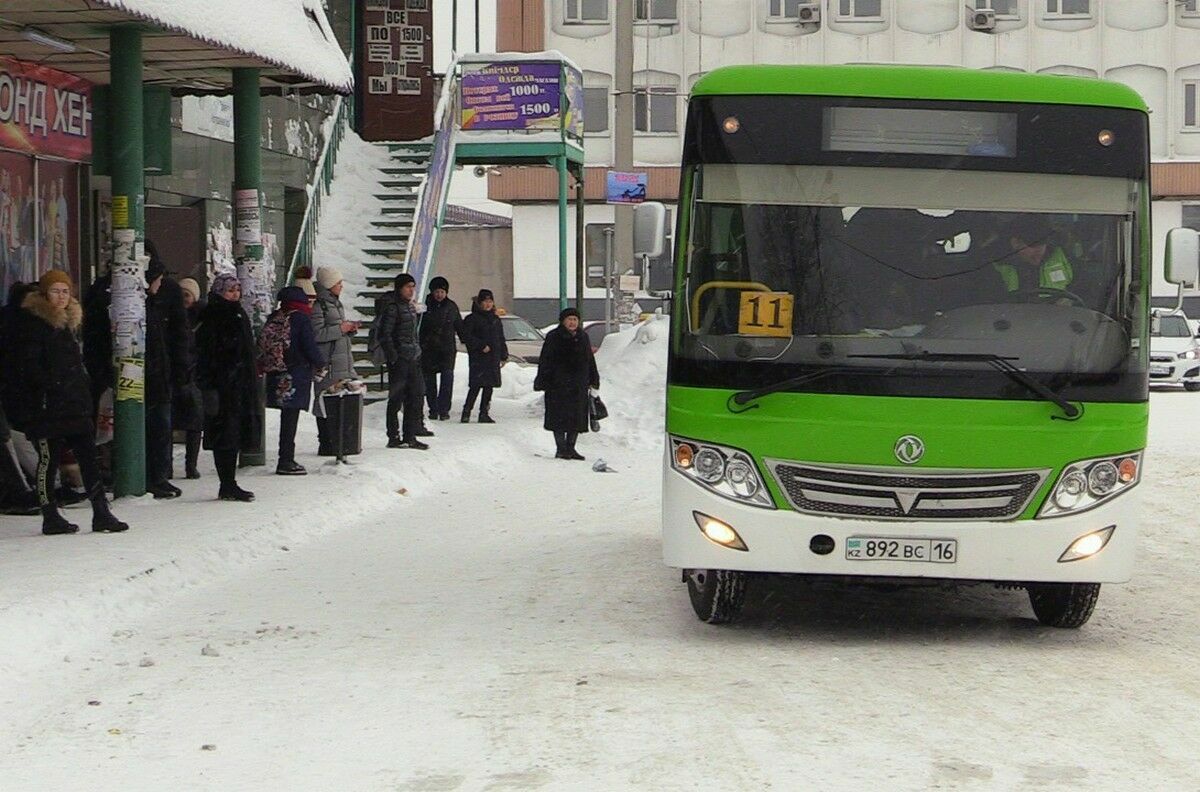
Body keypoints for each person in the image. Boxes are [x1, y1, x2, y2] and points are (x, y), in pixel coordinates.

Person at [0, 271, 128, 533]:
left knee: (88, 458)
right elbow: (28, 369)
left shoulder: (68, 324)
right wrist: (49, 390)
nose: (61, 296)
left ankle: (101, 511)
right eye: (55, 291)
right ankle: (50, 515)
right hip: (47, 407)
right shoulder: (32, 325)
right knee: (48, 461)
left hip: (74, 404)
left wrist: (81, 391)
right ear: (44, 294)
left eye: (65, 291)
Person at [194, 273, 260, 502]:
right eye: (230, 290)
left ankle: (229, 483)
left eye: (237, 290)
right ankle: (227, 483)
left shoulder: (237, 313)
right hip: (224, 386)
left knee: (233, 433)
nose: (235, 294)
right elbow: (209, 352)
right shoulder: (214, 315)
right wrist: (218, 378)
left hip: (238, 385)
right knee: (226, 435)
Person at [260, 286, 326, 475]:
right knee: (290, 419)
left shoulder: (276, 316)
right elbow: (308, 345)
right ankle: (286, 460)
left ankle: (285, 457)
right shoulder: (301, 318)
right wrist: (320, 363)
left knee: (286, 417)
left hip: (278, 373)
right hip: (296, 374)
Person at [143, 254, 188, 499]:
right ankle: (154, 476)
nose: (160, 285)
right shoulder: (145, 307)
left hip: (159, 374)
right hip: (153, 376)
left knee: (160, 427)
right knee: (156, 428)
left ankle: (158, 475)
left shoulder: (155, 304)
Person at [534, 307, 600, 461]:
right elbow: (545, 360)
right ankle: (561, 448)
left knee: (576, 417)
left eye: (575, 319)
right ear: (563, 321)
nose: (572, 322)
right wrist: (543, 379)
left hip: (578, 384)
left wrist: (594, 378)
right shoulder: (554, 337)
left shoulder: (583, 337)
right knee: (558, 417)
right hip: (558, 384)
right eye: (569, 319)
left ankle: (571, 448)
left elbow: (589, 359)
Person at [310, 266, 358, 455]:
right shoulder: (319, 306)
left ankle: (337, 440)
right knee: (324, 399)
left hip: (340, 359)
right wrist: (341, 329)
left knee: (338, 399)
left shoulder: (336, 304)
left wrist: (348, 330)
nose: (341, 286)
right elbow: (317, 333)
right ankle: (325, 441)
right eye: (338, 283)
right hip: (327, 362)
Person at [377, 273, 429, 449]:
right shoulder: (393, 308)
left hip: (413, 357)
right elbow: (385, 334)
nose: (411, 290)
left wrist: (417, 351)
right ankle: (393, 435)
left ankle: (410, 435)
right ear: (399, 288)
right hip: (400, 359)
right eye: (408, 287)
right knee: (396, 398)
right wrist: (393, 356)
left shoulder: (410, 307)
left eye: (413, 287)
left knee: (415, 396)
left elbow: (412, 333)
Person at [419, 276, 464, 422]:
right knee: (430, 381)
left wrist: (467, 340)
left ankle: (444, 409)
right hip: (428, 349)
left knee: (447, 379)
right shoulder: (424, 306)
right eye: (437, 292)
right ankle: (433, 408)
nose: (439, 295)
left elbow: (459, 326)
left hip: (447, 349)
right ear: (432, 292)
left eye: (442, 292)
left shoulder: (451, 307)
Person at [460, 289, 508, 424]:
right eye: (485, 301)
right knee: (476, 385)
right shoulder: (472, 319)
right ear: (480, 303)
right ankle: (466, 411)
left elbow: (500, 338)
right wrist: (480, 345)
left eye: (490, 301)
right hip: (479, 358)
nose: (488, 304)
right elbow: (466, 337)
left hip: (493, 357)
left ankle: (484, 413)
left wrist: (503, 355)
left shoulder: (495, 319)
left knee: (489, 386)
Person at [994, 216, 1075, 296]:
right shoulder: (996, 266)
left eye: (1043, 243)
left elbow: (1080, 290)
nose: (1040, 250)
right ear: (1015, 243)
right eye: (1033, 245)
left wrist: (1066, 300)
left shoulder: (1063, 257)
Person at [175, 277, 204, 479]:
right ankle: (167, 465)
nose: (184, 299)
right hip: (177, 374)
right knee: (171, 422)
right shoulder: (171, 316)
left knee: (195, 423)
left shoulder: (201, 319)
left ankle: (191, 464)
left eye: (187, 295)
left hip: (193, 375)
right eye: (181, 294)